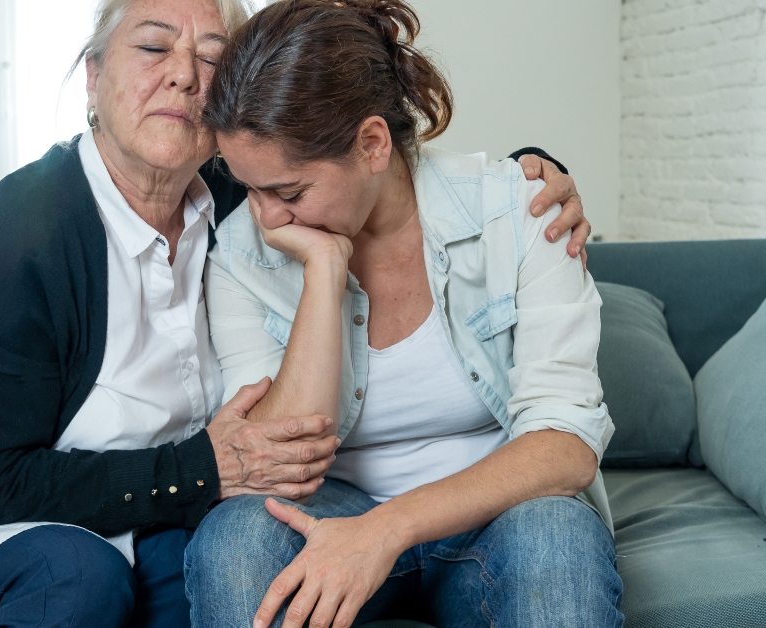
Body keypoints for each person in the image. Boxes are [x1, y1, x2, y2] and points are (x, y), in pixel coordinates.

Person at [0, 0, 593, 626]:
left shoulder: (230, 200)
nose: (185, 76)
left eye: (212, 57)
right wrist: (207, 467)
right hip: (16, 516)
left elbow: (350, 166)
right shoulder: (23, 237)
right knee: (131, 573)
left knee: (207, 558)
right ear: (91, 76)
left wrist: (539, 175)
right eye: (152, 47)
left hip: (163, 515)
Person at [186, 1, 623, 627]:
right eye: (248, 188)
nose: (265, 218)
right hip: (330, 507)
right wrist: (324, 272)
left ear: (371, 144)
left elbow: (565, 446)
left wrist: (383, 530)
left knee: (557, 542)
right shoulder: (240, 255)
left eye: (288, 192)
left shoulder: (519, 211)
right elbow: (277, 466)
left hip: (497, 514)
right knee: (235, 541)